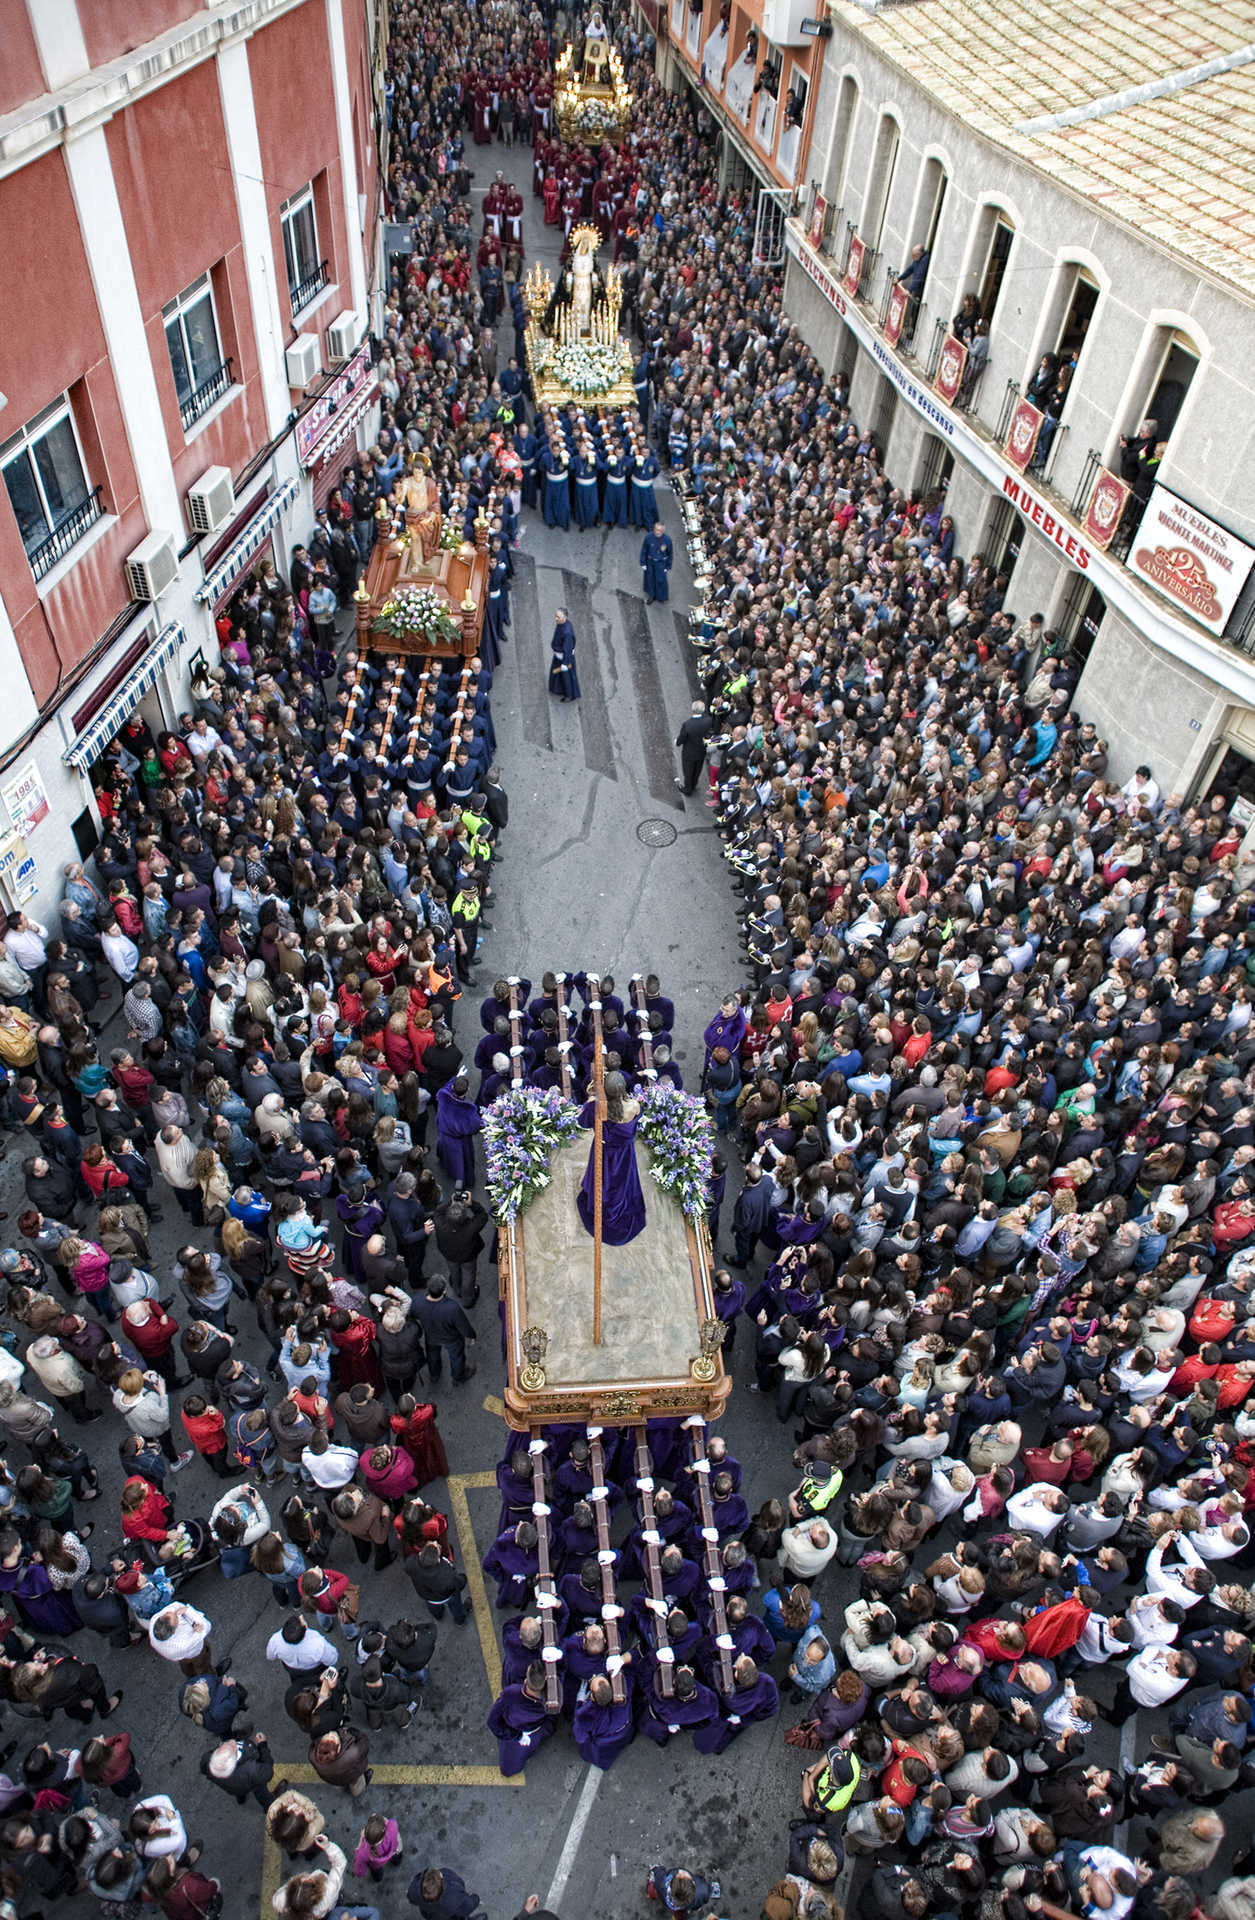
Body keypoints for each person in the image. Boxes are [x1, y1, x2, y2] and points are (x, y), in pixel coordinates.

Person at [575, 1070, 646, 1246]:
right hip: (625, 1154)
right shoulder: (635, 1106)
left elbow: (582, 1121)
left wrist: (592, 1098)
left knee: (601, 1181)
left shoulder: (597, 1107)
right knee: (622, 1182)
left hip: (604, 1153)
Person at [674, 701, 712, 797]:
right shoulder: (708, 720)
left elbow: (682, 738)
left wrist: (677, 742)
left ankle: (688, 789)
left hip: (689, 752)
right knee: (697, 769)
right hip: (701, 751)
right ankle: (694, 784)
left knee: (688, 771)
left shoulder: (687, 724)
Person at [548, 609, 580, 703]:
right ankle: (558, 689)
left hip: (564, 659)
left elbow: (568, 649)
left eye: (558, 617)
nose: (556, 619)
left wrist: (565, 663)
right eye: (556, 616)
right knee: (560, 675)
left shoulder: (567, 633)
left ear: (565, 617)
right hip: (559, 656)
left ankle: (569, 695)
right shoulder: (563, 624)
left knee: (567, 678)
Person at [640, 520, 674, 604]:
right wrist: (643, 562)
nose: (657, 532)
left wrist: (668, 566)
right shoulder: (648, 537)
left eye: (659, 530)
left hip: (661, 563)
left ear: (663, 531)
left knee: (661, 580)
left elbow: (670, 553)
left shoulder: (667, 540)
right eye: (656, 529)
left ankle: (660, 597)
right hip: (650, 562)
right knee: (650, 579)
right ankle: (651, 596)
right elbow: (644, 550)